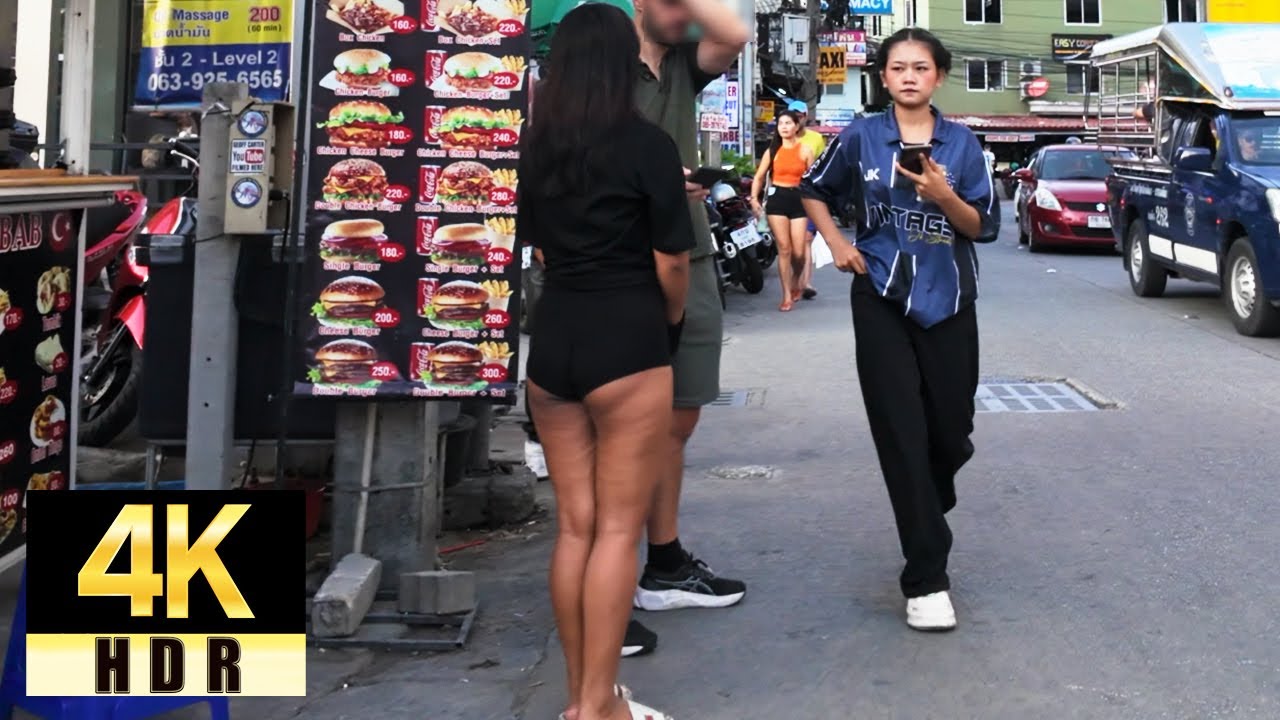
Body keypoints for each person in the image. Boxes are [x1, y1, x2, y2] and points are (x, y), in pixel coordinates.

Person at [519, 6, 694, 719]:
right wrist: (670, 324)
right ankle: (598, 709)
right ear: (627, 65)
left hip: (554, 340)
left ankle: (581, 699)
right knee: (620, 530)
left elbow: (537, 250)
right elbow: (673, 261)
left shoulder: (534, 146)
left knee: (575, 528)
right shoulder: (646, 144)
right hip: (627, 341)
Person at [800, 27, 999, 632]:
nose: (909, 76)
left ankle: (924, 512)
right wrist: (836, 244)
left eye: (921, 67)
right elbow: (811, 191)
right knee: (900, 433)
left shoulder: (963, 145)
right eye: (897, 67)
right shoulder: (860, 138)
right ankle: (926, 578)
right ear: (882, 77)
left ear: (938, 77)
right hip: (882, 297)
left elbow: (981, 226)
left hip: (950, 302)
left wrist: (942, 193)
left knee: (951, 434)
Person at [628, 0, 750, 648]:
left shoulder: (679, 66)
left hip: (689, 251)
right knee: (618, 425)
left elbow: (732, 31)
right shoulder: (602, 58)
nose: (685, 14)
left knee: (679, 415)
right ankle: (606, 593)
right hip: (621, 258)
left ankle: (665, 561)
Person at [751, 109, 816, 310]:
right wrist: (754, 198)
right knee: (784, 249)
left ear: (797, 126)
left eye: (788, 123)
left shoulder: (806, 150)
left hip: (799, 201)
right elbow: (759, 176)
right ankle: (786, 295)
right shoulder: (772, 151)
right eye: (781, 124)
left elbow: (812, 181)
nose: (784, 127)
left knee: (799, 253)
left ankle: (797, 279)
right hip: (777, 200)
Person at [789, 100, 826, 300]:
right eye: (793, 115)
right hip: (785, 195)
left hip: (808, 194)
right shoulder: (782, 136)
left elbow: (822, 167)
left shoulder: (816, 138)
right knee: (789, 245)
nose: (797, 119)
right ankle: (793, 283)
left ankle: (805, 283)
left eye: (800, 115)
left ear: (805, 117)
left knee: (806, 240)